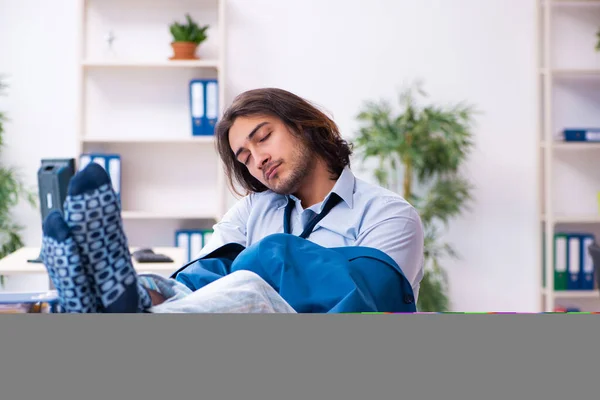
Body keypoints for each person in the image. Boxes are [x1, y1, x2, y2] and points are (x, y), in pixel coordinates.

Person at [40, 88, 424, 313]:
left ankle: (121, 305)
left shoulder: (389, 215)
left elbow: (374, 302)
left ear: (303, 126)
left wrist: (266, 264)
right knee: (213, 276)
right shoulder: (250, 211)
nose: (258, 159)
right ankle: (128, 297)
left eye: (263, 137)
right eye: (244, 157)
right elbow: (201, 287)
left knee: (263, 264)